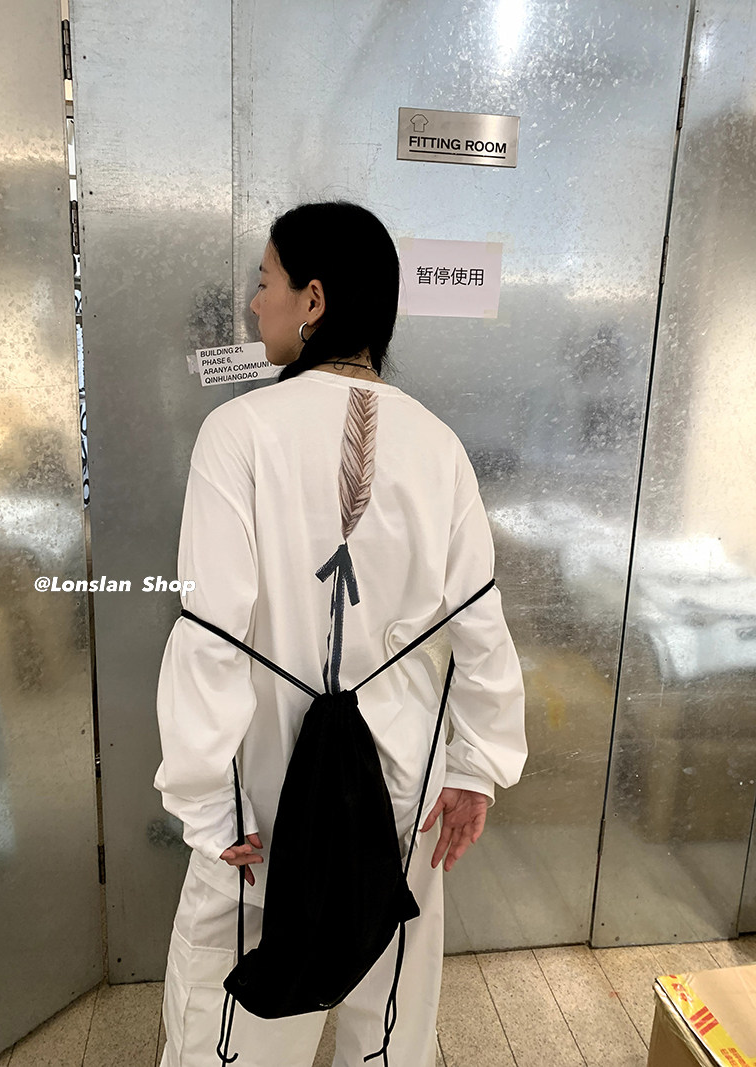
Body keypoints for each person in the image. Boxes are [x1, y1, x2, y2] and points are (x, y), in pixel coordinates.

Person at [153, 201, 527, 1067]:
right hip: (400, 796)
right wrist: (474, 767)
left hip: (265, 805)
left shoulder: (237, 433)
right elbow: (480, 622)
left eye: (265, 281)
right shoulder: (440, 447)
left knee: (233, 1029)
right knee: (386, 1026)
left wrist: (206, 799)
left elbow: (210, 629)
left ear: (313, 299)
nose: (255, 303)